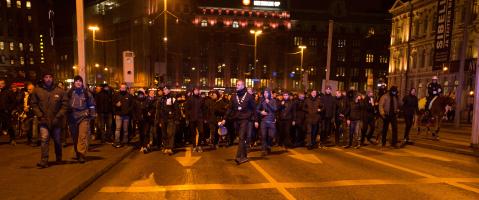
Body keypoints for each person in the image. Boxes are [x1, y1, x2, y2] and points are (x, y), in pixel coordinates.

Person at [30, 73, 69, 168]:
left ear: (53, 78)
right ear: (43, 78)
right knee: (44, 139)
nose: (48, 79)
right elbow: (33, 104)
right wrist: (40, 115)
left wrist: (58, 116)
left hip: (56, 120)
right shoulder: (37, 91)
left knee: (57, 140)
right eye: (46, 77)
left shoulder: (60, 91)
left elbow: (65, 105)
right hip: (43, 120)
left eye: (50, 77)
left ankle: (59, 157)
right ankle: (44, 160)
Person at [222, 80, 257, 164]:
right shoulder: (234, 97)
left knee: (241, 138)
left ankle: (238, 157)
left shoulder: (249, 96)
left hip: (245, 120)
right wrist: (224, 119)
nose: (236, 86)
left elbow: (254, 109)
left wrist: (255, 120)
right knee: (241, 138)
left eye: (238, 85)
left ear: (242, 86)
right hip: (236, 120)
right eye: (236, 84)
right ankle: (244, 156)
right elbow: (230, 109)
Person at [67, 76, 96, 163]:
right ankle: (78, 152)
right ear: (74, 83)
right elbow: (65, 104)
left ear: (82, 83)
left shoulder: (87, 93)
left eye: (80, 81)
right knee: (75, 137)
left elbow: (91, 104)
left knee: (82, 136)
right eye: (77, 81)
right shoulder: (69, 93)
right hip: (72, 118)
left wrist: (92, 114)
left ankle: (81, 154)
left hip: (84, 117)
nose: (78, 83)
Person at [157, 86, 180, 155]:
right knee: (164, 134)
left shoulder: (173, 99)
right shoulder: (161, 99)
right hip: (163, 119)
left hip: (171, 119)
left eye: (166, 89)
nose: (165, 90)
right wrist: (159, 120)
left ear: (169, 90)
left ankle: (170, 148)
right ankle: (166, 147)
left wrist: (176, 119)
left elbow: (176, 110)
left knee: (170, 133)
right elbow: (159, 110)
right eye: (164, 89)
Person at [112, 83, 134, 148]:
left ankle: (125, 142)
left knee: (125, 130)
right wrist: (116, 105)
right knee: (118, 129)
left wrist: (128, 111)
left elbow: (132, 105)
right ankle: (117, 142)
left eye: (124, 87)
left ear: (126, 88)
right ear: (120, 88)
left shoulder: (129, 96)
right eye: (122, 87)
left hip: (126, 115)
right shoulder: (116, 95)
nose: (123, 89)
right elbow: (112, 103)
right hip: (118, 114)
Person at [257, 88, 277, 156]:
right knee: (263, 136)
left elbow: (275, 109)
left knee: (271, 136)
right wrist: (261, 112)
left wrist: (268, 103)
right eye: (264, 93)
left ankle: (268, 146)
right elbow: (257, 109)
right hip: (264, 121)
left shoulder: (273, 100)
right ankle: (263, 149)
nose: (265, 94)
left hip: (271, 121)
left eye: (266, 93)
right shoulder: (261, 101)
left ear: (269, 93)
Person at [186, 88, 206, 152]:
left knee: (201, 132)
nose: (196, 91)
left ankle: (199, 145)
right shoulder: (190, 98)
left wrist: (204, 118)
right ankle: (194, 146)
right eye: (195, 90)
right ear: (193, 91)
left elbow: (204, 109)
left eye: (197, 90)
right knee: (193, 133)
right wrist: (187, 118)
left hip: (200, 118)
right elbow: (187, 109)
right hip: (192, 118)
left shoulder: (201, 99)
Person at [0, 78, 16, 145]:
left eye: (2, 83)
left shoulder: (8, 92)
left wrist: (9, 109)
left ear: (5, 84)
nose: (1, 85)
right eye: (0, 84)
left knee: (9, 125)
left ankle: (12, 138)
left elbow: (13, 102)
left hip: (6, 111)